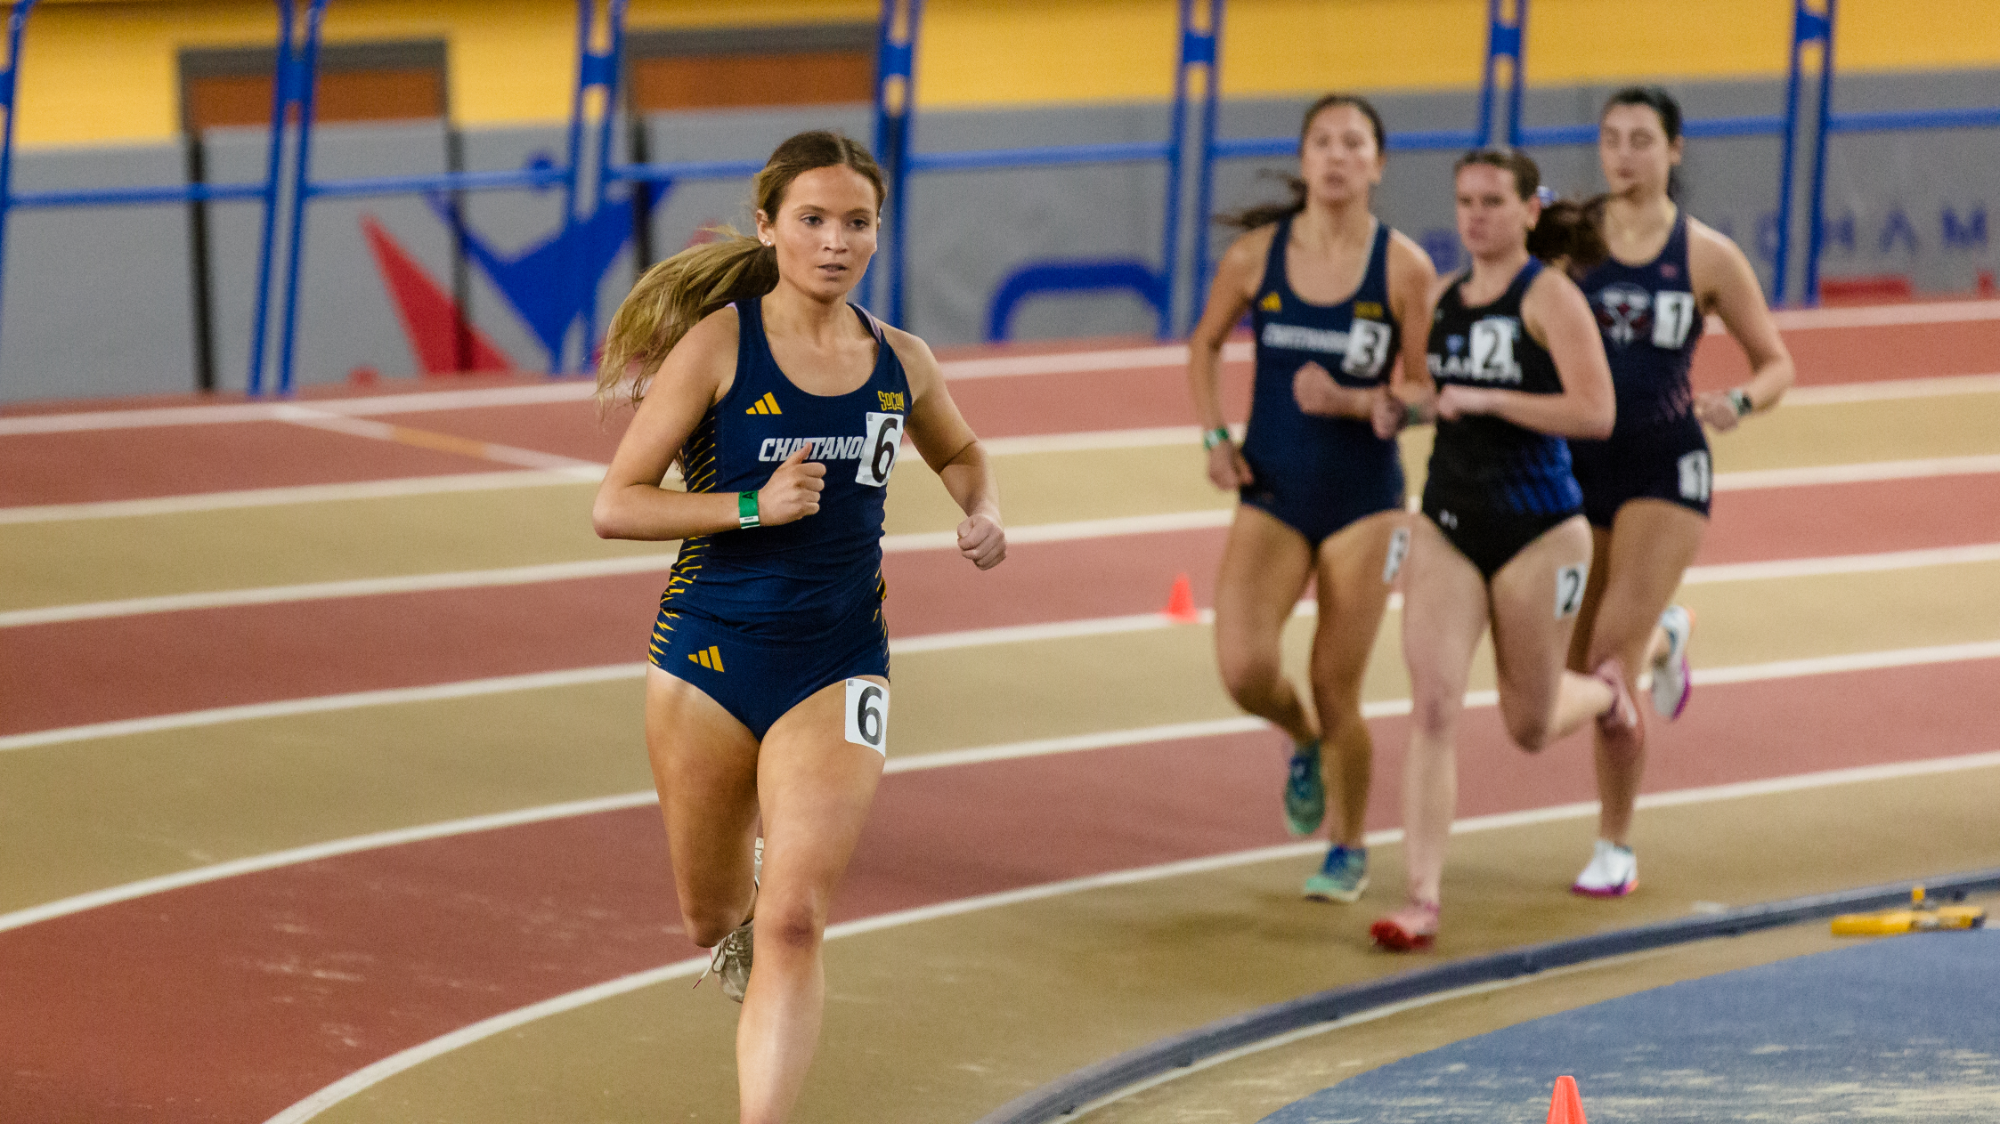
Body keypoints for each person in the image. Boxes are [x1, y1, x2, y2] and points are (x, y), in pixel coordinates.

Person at [591, 130, 1005, 1122]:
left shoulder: (900, 358)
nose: (834, 242)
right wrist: (748, 507)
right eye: (812, 220)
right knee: (711, 916)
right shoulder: (718, 347)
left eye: (855, 222)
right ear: (770, 225)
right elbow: (617, 502)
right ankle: (742, 912)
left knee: (790, 923)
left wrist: (981, 507)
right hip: (706, 656)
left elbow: (960, 449)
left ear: (876, 232)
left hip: (838, 659)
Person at [1369, 148, 1636, 951]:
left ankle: (1610, 696)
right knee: (1435, 704)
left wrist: (1493, 398)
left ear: (1528, 211)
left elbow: (1596, 413)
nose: (1475, 215)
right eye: (1464, 201)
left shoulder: (1549, 298)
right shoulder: (1444, 298)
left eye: (1492, 201)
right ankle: (1421, 897)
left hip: (1538, 527)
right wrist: (1396, 410)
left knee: (1529, 722)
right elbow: (1428, 394)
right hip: (1449, 521)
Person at [1187, 93, 1435, 903]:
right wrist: (1216, 438)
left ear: (1378, 162)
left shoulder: (1403, 268)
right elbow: (1205, 343)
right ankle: (1299, 740)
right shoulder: (1258, 256)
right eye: (1322, 142)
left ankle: (1350, 845)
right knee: (1245, 668)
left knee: (1339, 687)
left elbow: (1426, 393)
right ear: (1303, 160)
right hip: (1274, 489)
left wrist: (1363, 403)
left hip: (1366, 500)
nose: (1336, 156)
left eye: (1353, 142)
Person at [1564, 87, 1795, 897]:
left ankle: (1614, 844)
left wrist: (1739, 402)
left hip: (1667, 465)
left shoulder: (1705, 256)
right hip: (1576, 465)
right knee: (1569, 667)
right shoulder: (1570, 245)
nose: (1624, 154)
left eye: (1641, 139)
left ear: (1675, 152)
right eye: (1612, 139)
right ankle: (1669, 635)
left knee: (1606, 671)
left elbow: (1777, 363)